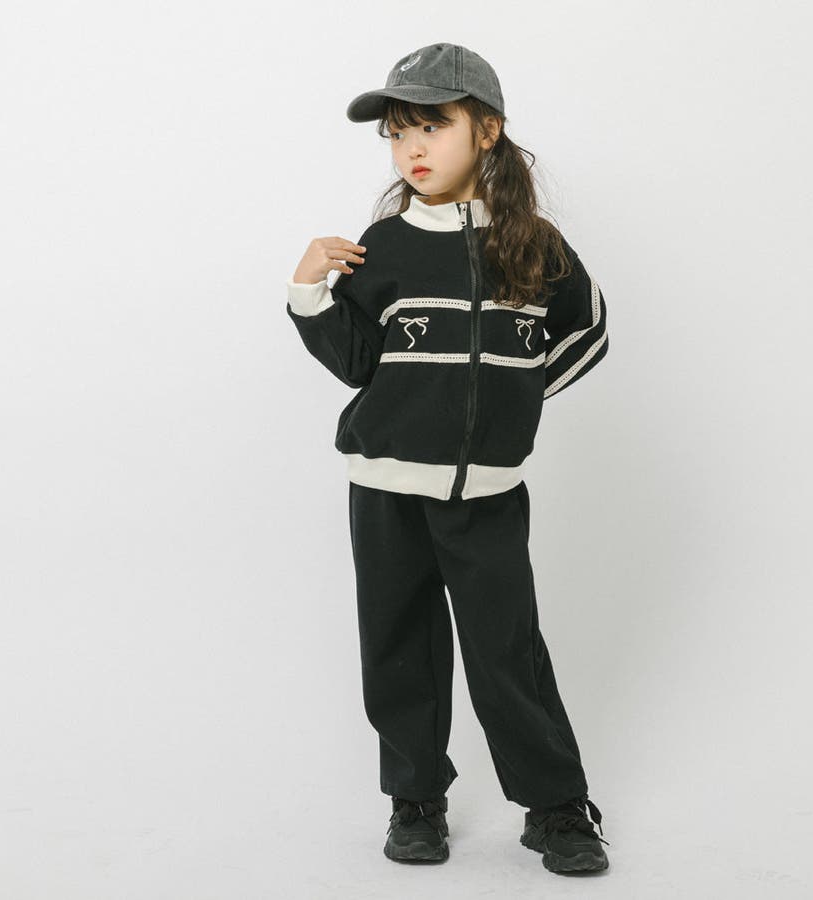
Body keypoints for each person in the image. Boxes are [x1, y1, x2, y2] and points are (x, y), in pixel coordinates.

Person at [285, 42, 611, 876]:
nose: (412, 148)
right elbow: (361, 361)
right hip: (385, 486)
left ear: (488, 130)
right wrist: (309, 292)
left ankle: (556, 808)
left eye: (432, 126)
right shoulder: (387, 245)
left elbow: (585, 330)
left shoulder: (534, 245)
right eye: (398, 133)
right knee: (400, 645)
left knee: (508, 651)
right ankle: (416, 801)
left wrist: (510, 401)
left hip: (489, 492)